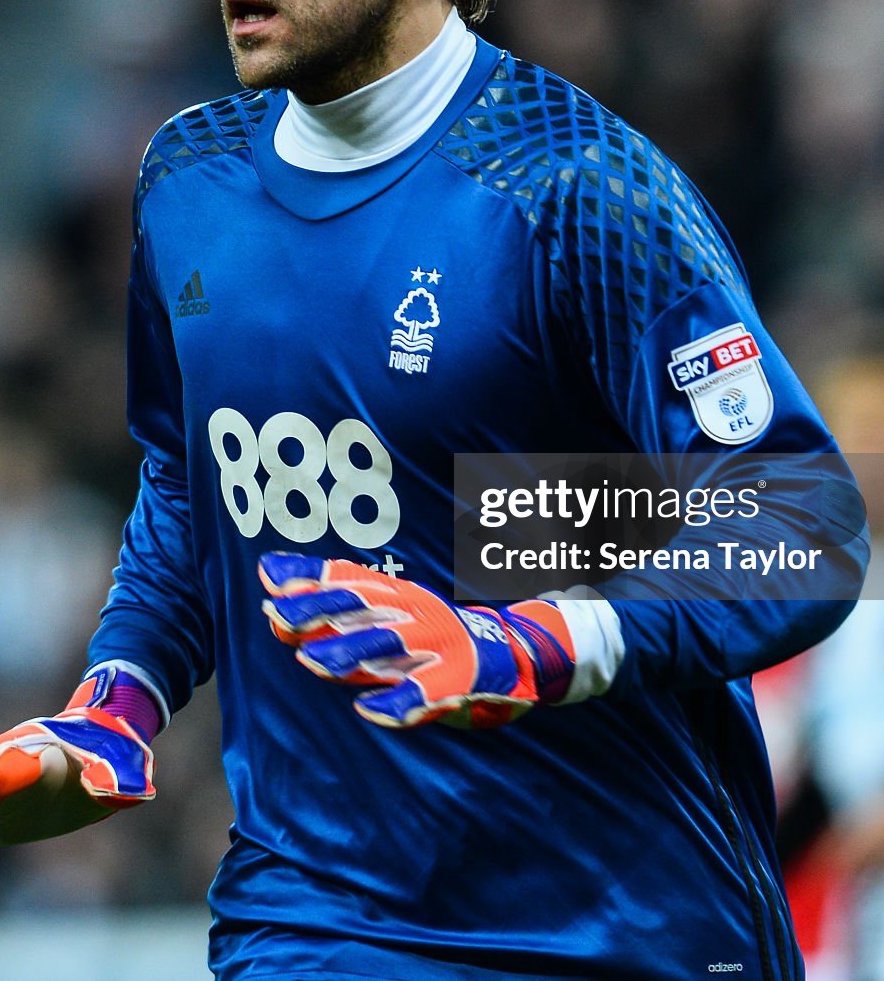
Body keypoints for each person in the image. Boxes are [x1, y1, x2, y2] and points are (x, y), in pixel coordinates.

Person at [0, 1, 868, 978]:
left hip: (624, 928)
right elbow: (188, 479)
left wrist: (520, 643)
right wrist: (121, 696)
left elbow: (801, 524)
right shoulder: (187, 177)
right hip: (313, 921)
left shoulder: (576, 188)